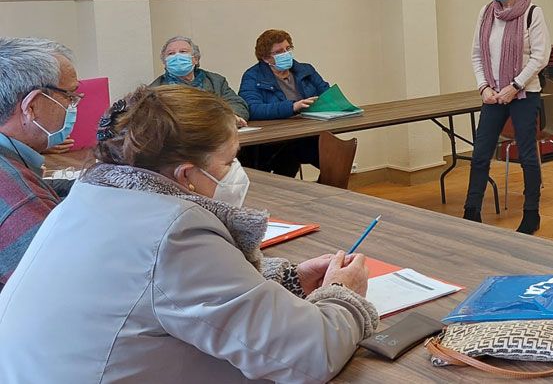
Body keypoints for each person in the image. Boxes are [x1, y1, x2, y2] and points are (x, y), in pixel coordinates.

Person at [0, 85, 377, 382]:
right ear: (187, 175)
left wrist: (286, 279)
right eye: (229, 161)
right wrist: (343, 294)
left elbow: (155, 289)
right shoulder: (174, 230)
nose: (235, 172)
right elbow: (309, 355)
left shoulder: (91, 198)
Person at [465, 0, 551, 235]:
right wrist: (484, 88)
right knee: (480, 153)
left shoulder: (532, 13)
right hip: (492, 94)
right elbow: (478, 54)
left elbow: (540, 57)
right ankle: (471, 210)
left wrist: (514, 86)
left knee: (527, 155)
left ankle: (531, 214)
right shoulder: (486, 13)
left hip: (524, 94)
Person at [0, 38, 79, 288]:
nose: (74, 106)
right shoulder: (21, 199)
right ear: (31, 106)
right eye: (70, 96)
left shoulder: (13, 162)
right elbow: (63, 289)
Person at [239, 29, 328, 176]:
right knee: (288, 157)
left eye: (288, 49)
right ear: (266, 58)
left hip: (309, 131)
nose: (286, 54)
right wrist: (292, 107)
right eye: (279, 51)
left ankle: (328, 192)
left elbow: (326, 93)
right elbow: (252, 108)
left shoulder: (306, 70)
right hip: (275, 140)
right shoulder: (253, 76)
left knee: (337, 157)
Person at [150, 35, 250, 127]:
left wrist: (231, 117)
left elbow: (238, 104)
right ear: (165, 62)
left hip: (218, 133)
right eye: (171, 53)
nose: (177, 57)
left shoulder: (216, 81)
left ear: (196, 59)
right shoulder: (155, 90)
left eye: (183, 52)